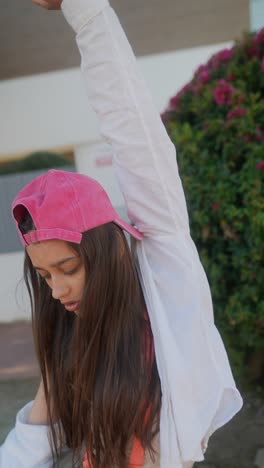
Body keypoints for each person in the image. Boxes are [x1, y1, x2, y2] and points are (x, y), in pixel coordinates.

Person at [0, 0, 243, 467]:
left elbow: (133, 134)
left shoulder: (166, 295)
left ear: (107, 247)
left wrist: (86, 12)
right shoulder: (72, 332)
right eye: (46, 276)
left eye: (67, 268)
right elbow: (32, 439)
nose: (57, 289)